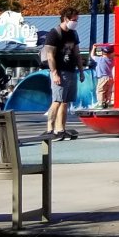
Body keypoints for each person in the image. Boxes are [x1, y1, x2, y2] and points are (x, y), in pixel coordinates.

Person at [40, 10, 82, 141]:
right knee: (57, 101)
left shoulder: (73, 33)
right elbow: (50, 55)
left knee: (65, 102)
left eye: (76, 20)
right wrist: (54, 73)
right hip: (60, 71)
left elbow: (77, 53)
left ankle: (61, 130)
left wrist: (81, 71)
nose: (76, 22)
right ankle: (50, 129)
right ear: (65, 19)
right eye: (74, 20)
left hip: (71, 71)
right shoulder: (54, 33)